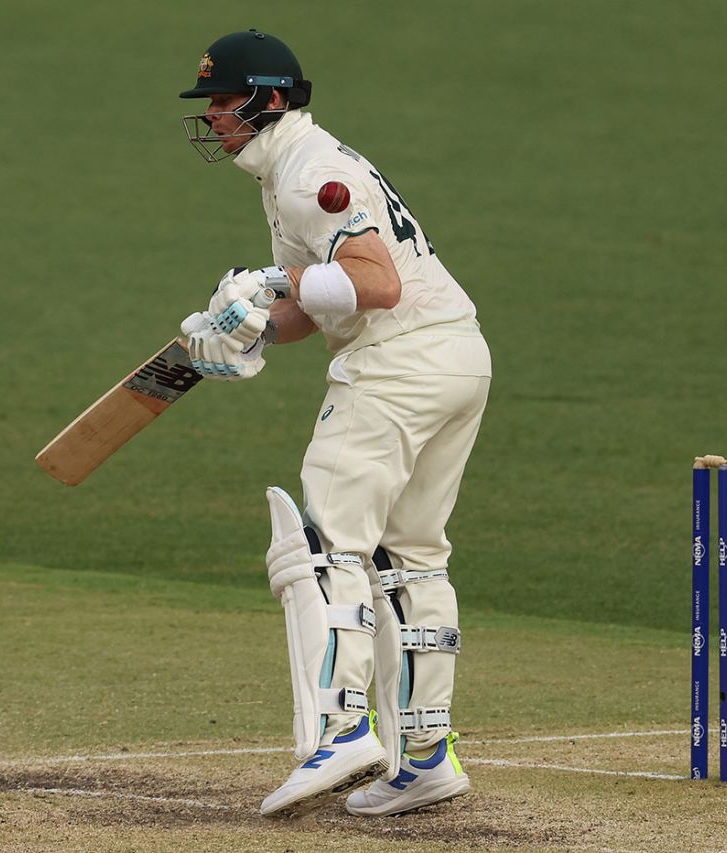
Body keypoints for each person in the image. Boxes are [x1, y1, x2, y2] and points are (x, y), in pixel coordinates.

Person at [177, 29, 492, 818]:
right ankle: (426, 755)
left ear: (269, 99)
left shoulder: (311, 174)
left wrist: (270, 280)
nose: (213, 116)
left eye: (223, 100)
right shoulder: (297, 167)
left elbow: (373, 284)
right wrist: (250, 327)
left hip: (395, 367)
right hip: (456, 357)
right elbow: (322, 307)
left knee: (325, 543)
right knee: (413, 555)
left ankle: (343, 728)